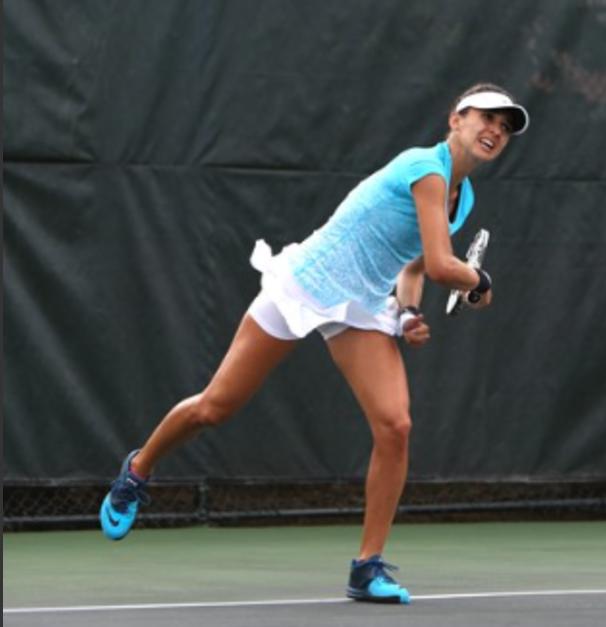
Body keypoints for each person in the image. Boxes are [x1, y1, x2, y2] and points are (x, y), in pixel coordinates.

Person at [98, 83, 530, 604]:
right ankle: (139, 469)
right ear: (456, 119)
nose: (495, 132)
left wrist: (410, 311)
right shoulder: (426, 168)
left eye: (505, 128)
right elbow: (443, 266)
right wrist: (479, 283)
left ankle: (367, 567)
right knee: (215, 407)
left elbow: (416, 267)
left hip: (362, 306)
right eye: (487, 118)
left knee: (395, 425)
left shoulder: (462, 199)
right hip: (308, 281)